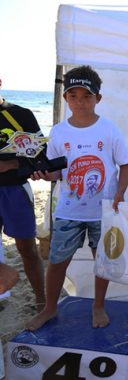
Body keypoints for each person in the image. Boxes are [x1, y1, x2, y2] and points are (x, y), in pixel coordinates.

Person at [26, 66, 128, 331]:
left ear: (98, 98)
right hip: (68, 211)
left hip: (103, 211)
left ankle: (98, 305)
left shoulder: (109, 130)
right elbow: (56, 172)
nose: (79, 102)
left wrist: (119, 193)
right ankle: (50, 308)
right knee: (57, 262)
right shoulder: (59, 132)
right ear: (65, 99)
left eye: (86, 96)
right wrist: (44, 174)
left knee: (103, 263)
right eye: (73, 96)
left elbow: (126, 165)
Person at [0, 77, 46, 309]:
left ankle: (41, 300)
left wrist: (9, 165)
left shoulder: (21, 114)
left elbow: (40, 158)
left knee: (26, 248)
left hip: (15, 190)